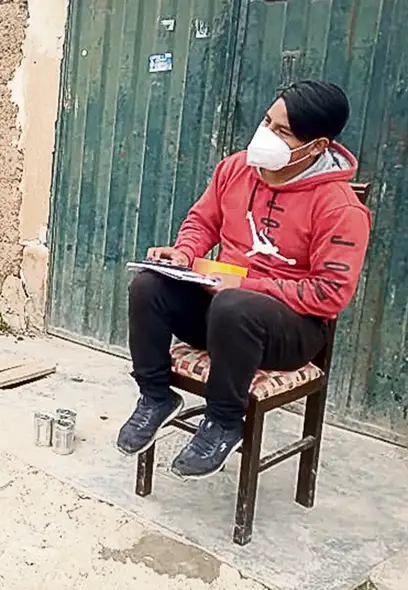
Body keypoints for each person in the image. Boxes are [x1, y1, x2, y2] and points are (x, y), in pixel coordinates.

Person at [116, 80, 371, 479]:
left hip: (289, 332)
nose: (266, 134)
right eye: (267, 121)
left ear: (317, 146)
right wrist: (184, 253)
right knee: (149, 284)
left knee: (235, 305)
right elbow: (203, 220)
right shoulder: (237, 169)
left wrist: (246, 287)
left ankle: (223, 422)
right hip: (222, 312)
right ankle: (155, 396)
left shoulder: (341, 208)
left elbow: (329, 295)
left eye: (282, 131)